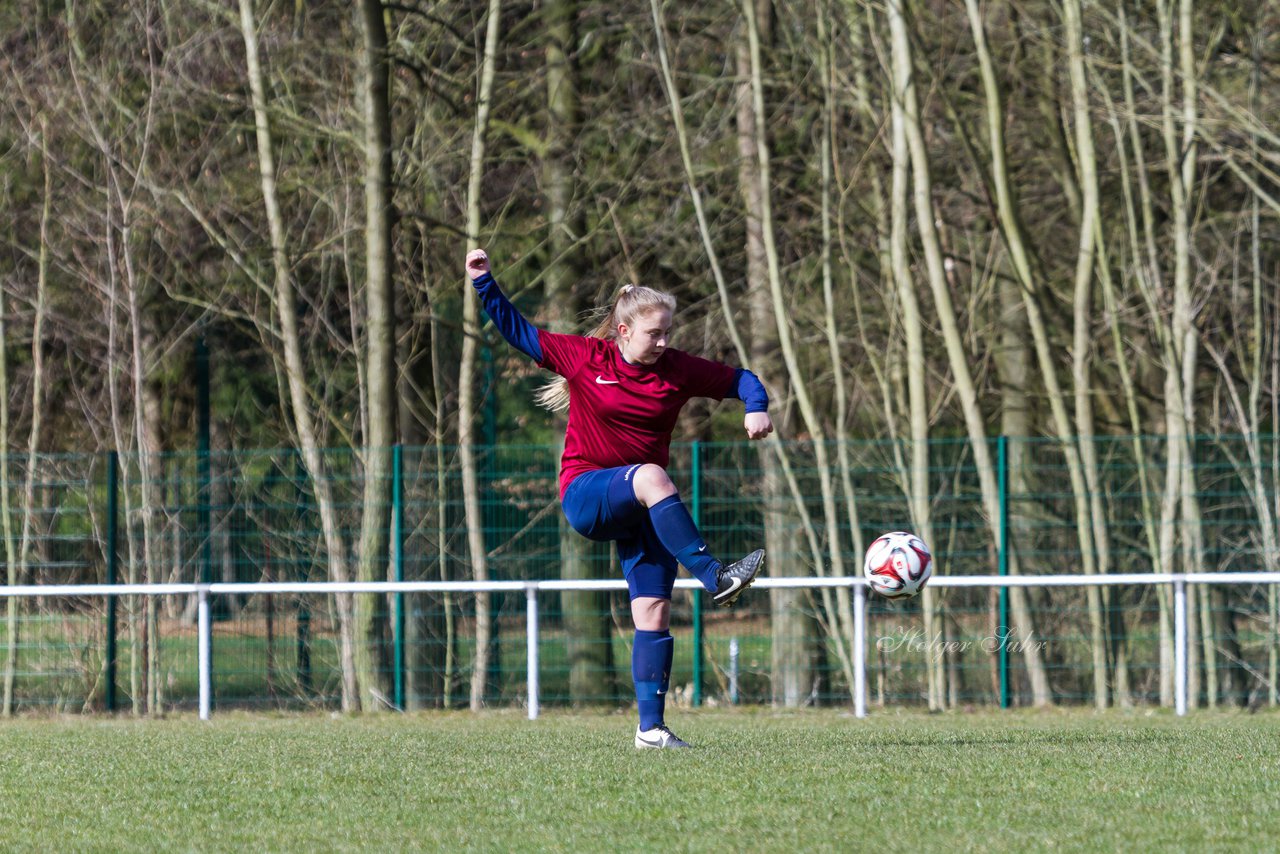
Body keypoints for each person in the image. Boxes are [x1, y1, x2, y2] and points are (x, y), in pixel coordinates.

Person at [466, 248, 773, 749]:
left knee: (653, 610)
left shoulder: (675, 369)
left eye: (668, 332)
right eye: (655, 333)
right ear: (624, 331)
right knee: (654, 475)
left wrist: (755, 406)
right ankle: (716, 576)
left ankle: (650, 729)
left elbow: (740, 378)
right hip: (587, 492)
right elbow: (518, 331)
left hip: (645, 506)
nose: (664, 342)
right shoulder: (588, 358)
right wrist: (484, 283)